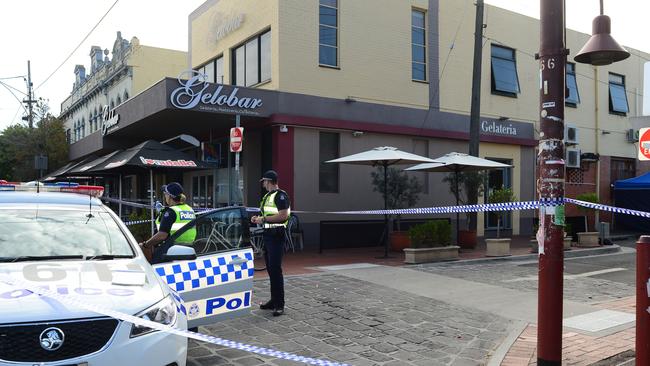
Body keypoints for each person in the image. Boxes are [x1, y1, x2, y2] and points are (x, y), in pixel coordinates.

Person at [251, 170, 290, 317]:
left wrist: (264, 219)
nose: (263, 184)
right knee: (271, 269)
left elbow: (283, 215)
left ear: (269, 181)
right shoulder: (268, 196)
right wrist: (258, 218)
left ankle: (279, 304)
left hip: (276, 235)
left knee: (275, 269)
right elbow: (267, 214)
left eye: (264, 181)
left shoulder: (281, 195)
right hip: (268, 235)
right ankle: (274, 300)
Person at [139, 182, 196, 264]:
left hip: (169, 251)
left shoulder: (171, 212)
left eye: (165, 194)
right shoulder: (189, 209)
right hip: (188, 249)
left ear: (170, 196)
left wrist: (146, 245)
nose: (165, 196)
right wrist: (163, 211)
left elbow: (162, 235)